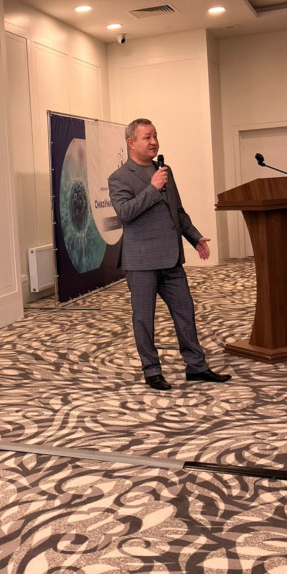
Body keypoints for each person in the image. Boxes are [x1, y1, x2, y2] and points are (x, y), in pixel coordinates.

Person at [108, 118, 231, 390]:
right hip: (141, 262)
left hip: (172, 259)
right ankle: (152, 371)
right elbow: (125, 213)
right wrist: (152, 188)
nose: (154, 142)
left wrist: (195, 237)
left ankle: (196, 367)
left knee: (185, 312)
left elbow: (177, 211)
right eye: (147, 137)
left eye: (155, 136)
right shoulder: (119, 177)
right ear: (131, 143)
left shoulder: (165, 170)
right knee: (144, 319)